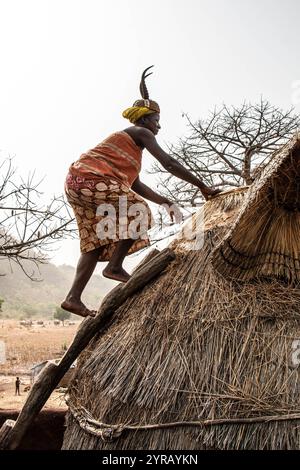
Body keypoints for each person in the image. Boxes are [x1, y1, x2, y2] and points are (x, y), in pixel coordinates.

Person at [61, 66, 220, 318]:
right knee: (139, 211)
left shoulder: (129, 150)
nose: (159, 127)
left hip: (76, 183)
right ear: (145, 119)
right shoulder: (140, 133)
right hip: (91, 178)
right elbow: (169, 163)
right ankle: (114, 267)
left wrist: (165, 201)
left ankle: (73, 299)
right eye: (156, 121)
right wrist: (203, 186)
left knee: (93, 241)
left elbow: (134, 185)